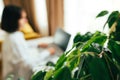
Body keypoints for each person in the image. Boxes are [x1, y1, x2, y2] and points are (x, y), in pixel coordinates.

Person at [1, 5, 55, 80]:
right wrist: (47, 52)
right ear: (13, 20)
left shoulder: (14, 35)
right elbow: (28, 65)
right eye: (23, 18)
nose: (26, 21)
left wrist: (37, 44)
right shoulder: (13, 40)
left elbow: (23, 45)